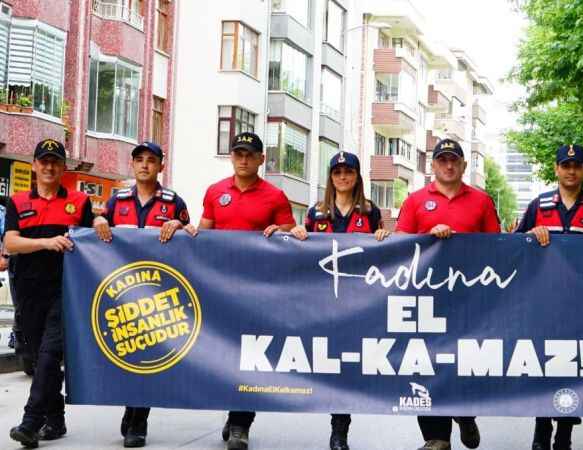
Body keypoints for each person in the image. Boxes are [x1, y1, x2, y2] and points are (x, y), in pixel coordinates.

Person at [185, 131, 296, 450]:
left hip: (257, 291)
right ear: (231, 157)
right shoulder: (215, 191)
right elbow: (203, 233)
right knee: (223, 355)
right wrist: (190, 230)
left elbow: (289, 232)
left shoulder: (275, 196)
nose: (243, 159)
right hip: (219, 289)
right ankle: (233, 412)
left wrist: (284, 231)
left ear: (262, 158)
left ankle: (240, 423)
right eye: (238, 153)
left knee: (249, 357)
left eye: (250, 154)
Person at [395, 138, 501, 450]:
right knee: (425, 363)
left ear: (464, 165)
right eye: (442, 160)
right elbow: (400, 241)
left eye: (454, 160)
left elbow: (497, 246)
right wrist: (426, 237)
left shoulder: (481, 201)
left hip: (469, 299)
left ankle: (464, 415)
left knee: (464, 360)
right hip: (426, 297)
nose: (449, 165)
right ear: (433, 165)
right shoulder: (415, 200)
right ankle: (436, 437)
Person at [289, 150, 390, 450]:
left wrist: (383, 236)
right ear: (331, 178)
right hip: (323, 300)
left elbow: (383, 254)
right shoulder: (315, 213)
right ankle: (336, 426)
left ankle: (339, 430)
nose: (343, 177)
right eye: (337, 172)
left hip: (358, 301)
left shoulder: (370, 212)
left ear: (358, 177)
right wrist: (297, 233)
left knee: (346, 365)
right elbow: (302, 250)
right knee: (327, 361)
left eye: (348, 172)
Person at [93, 142, 191, 448]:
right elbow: (95, 227)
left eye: (151, 160)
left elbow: (194, 236)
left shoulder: (173, 201)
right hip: (122, 291)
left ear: (161, 165)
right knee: (126, 351)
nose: (145, 165)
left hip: (158, 292)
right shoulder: (117, 200)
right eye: (139, 160)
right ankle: (129, 408)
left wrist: (180, 224)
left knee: (149, 354)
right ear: (132, 165)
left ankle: (139, 421)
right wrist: (97, 221)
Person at [515, 144, 583, 450]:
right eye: (565, 165)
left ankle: (565, 434)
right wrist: (531, 235)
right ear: (556, 169)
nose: (571, 171)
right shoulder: (538, 205)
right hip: (544, 301)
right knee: (544, 367)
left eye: (577, 165)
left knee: (574, 367)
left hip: (581, 302)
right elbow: (512, 248)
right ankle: (541, 431)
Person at [5, 139, 94, 448]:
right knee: (36, 356)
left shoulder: (80, 202)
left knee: (48, 356)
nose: (49, 166)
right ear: (34, 165)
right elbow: (11, 244)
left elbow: (92, 240)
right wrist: (46, 242)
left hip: (65, 291)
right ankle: (55, 420)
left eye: (55, 161)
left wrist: (99, 220)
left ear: (63, 167)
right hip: (27, 291)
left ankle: (31, 422)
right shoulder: (17, 202)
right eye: (44, 161)